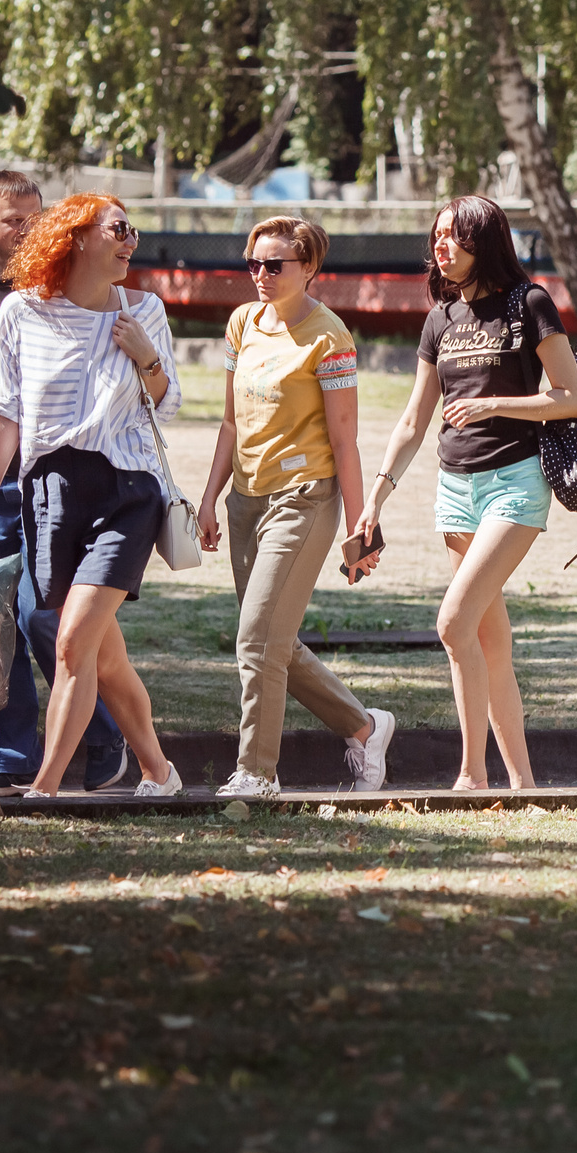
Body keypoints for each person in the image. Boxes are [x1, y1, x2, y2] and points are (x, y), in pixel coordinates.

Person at [356, 196, 577, 792]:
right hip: (455, 489)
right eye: (436, 237)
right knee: (488, 640)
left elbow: (569, 397)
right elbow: (413, 420)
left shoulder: (528, 303)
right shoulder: (440, 318)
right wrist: (376, 499)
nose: (442, 247)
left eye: (454, 237)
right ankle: (519, 786)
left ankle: (468, 774)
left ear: (485, 241)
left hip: (516, 481)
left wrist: (491, 404)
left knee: (454, 624)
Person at [0, 194, 184, 799]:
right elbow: (6, 413)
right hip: (51, 494)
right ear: (76, 235)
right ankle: (159, 772)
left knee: (70, 643)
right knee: (102, 656)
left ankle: (44, 788)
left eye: (132, 230)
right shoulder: (21, 312)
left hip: (126, 491)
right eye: (118, 228)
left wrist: (146, 358)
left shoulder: (144, 310)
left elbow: (166, 403)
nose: (130, 240)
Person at [0, 172, 130, 797]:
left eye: (34, 217)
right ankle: (9, 759)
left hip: (50, 473)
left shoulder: (53, 283)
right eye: (12, 219)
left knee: (43, 613)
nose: (26, 229)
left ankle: (104, 738)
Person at [197, 216, 393, 799]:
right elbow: (231, 421)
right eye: (254, 263)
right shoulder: (242, 323)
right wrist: (209, 497)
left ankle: (256, 774)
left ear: (308, 268)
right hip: (244, 501)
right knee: (271, 640)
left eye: (274, 265)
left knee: (257, 641)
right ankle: (364, 727)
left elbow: (344, 439)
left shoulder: (328, 336)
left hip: (304, 499)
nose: (260, 274)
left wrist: (363, 526)